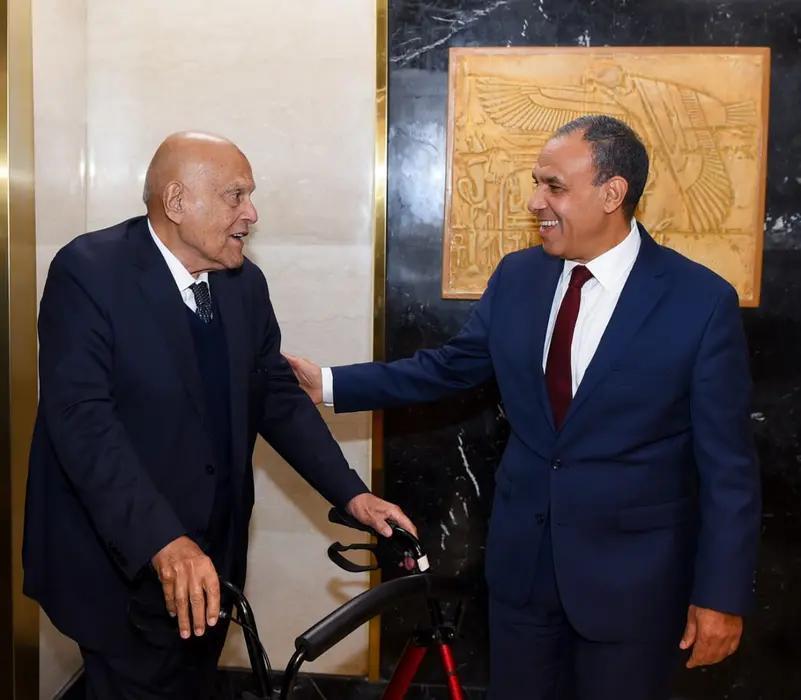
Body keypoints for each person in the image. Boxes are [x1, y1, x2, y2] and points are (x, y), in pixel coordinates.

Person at [286, 115, 761, 700]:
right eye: (537, 183)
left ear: (612, 193)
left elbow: (729, 470)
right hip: (522, 574)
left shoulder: (700, 302)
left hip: (633, 587)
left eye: (554, 186)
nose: (535, 202)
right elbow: (449, 367)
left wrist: (720, 596)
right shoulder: (519, 277)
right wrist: (329, 384)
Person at [23, 131, 416, 700]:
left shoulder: (243, 283)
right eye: (236, 196)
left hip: (213, 564)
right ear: (177, 201)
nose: (251, 214)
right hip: (117, 564)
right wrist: (163, 540)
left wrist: (352, 494)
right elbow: (83, 423)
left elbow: (275, 395)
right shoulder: (89, 272)